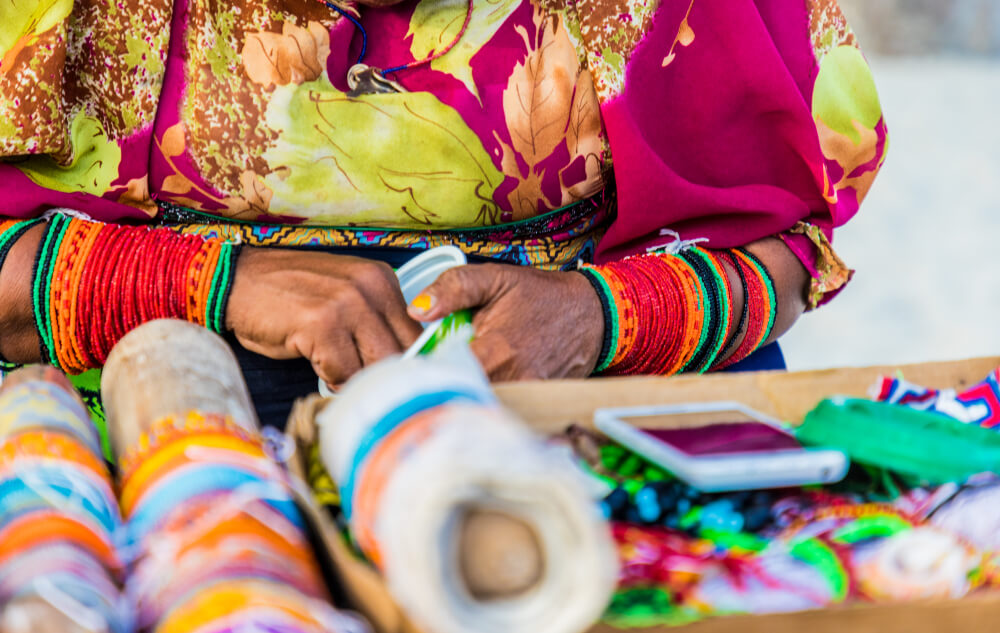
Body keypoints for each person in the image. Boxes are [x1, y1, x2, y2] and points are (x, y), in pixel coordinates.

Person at [0, 0, 885, 425]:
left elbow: (783, 247)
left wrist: (599, 316)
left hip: (548, 423)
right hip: (148, 426)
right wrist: (212, 284)